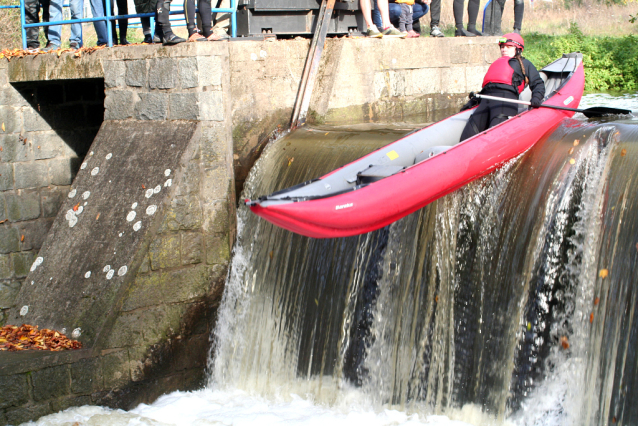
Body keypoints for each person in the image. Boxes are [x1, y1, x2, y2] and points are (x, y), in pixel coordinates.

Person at [459, 33, 545, 141]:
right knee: (465, 138)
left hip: (505, 102)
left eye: (509, 47)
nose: (504, 50)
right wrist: (473, 101)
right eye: (503, 47)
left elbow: (538, 84)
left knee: (493, 139)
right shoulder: (497, 64)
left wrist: (536, 98)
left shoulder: (524, 64)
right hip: (486, 102)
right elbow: (488, 87)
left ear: (518, 49)